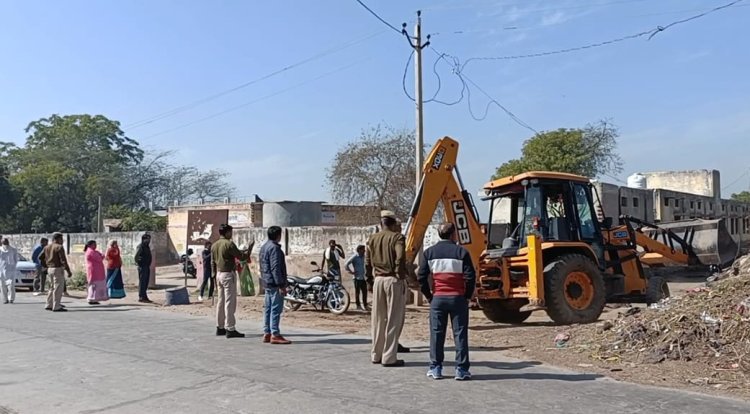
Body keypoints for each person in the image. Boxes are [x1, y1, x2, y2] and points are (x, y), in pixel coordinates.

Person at [417, 223, 476, 381]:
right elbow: (471, 277)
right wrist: (467, 296)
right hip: (458, 298)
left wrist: (429, 296)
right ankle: (461, 369)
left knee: (436, 333)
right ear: (453, 234)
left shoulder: (429, 253)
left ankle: (436, 367)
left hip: (438, 298)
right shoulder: (462, 252)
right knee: (460, 334)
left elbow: (421, 277)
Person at [366, 210, 407, 367]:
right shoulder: (397, 237)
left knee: (377, 318)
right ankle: (389, 357)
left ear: (381, 223)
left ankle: (376, 354)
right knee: (393, 319)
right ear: (393, 223)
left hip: (378, 280)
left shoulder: (372, 239)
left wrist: (369, 281)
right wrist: (400, 275)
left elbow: (367, 262)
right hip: (393, 280)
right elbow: (401, 256)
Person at [211, 224, 250, 338]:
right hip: (228, 274)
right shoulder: (229, 244)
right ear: (227, 232)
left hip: (218, 274)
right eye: (230, 232)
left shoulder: (214, 245)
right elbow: (241, 256)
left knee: (221, 301)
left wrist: (214, 276)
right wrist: (249, 250)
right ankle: (230, 328)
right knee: (229, 302)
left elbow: (212, 262)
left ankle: (220, 326)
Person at [259, 225, 291, 344]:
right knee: (275, 309)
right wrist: (281, 285)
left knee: (268, 308)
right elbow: (275, 268)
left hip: (267, 282)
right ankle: (275, 333)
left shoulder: (264, 247)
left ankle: (267, 332)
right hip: (274, 283)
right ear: (278, 235)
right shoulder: (275, 249)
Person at [41, 232, 72, 312]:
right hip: (57, 268)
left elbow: (40, 257)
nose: (62, 241)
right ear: (57, 239)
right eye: (61, 239)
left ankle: (49, 304)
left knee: (52, 287)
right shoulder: (59, 247)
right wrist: (68, 271)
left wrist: (45, 265)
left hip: (49, 269)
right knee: (58, 288)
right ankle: (56, 305)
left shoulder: (47, 247)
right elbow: (63, 260)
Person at [84, 240, 108, 305]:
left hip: (96, 270)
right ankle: (92, 298)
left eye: (96, 244)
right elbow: (100, 258)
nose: (95, 246)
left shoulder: (93, 251)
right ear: (90, 245)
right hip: (94, 271)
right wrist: (102, 255)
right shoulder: (91, 252)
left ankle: (94, 298)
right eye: (94, 244)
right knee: (95, 285)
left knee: (95, 285)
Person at [345, 245, 368, 311]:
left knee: (364, 291)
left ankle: (365, 305)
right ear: (359, 250)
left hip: (362, 277)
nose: (364, 251)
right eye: (363, 249)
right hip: (356, 278)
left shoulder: (363, 256)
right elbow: (346, 264)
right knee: (357, 292)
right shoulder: (355, 256)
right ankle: (358, 306)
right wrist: (351, 271)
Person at [0, 238, 19, 304]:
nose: (5, 244)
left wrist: (13, 267)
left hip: (11, 270)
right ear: (1, 243)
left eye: (6, 242)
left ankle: (11, 298)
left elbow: (16, 260)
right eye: (4, 243)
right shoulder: (0, 250)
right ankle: (5, 299)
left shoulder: (13, 250)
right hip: (1, 270)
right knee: (2, 286)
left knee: (11, 285)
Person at [134, 234, 153, 303]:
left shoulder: (147, 247)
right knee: (142, 282)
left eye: (149, 239)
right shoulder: (141, 246)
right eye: (147, 239)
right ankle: (141, 297)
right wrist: (138, 263)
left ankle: (145, 296)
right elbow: (136, 257)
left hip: (147, 266)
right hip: (142, 266)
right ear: (143, 239)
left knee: (146, 282)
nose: (148, 240)